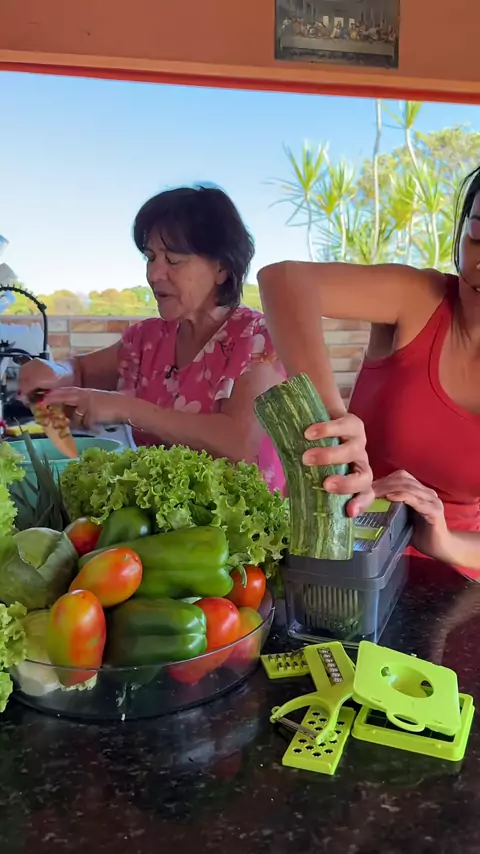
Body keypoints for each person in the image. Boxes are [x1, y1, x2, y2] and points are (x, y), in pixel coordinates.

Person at [257, 166, 480, 579]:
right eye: (478, 235)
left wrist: (443, 539)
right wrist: (333, 423)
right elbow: (283, 280)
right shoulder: (420, 299)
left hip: (456, 581)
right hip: (346, 553)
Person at [20, 185, 285, 491]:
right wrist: (54, 372)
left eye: (173, 260)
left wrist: (127, 408)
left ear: (222, 269)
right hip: (167, 517)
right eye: (150, 258)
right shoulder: (146, 339)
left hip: (249, 517)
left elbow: (239, 444)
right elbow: (79, 370)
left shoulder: (258, 337)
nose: (154, 274)